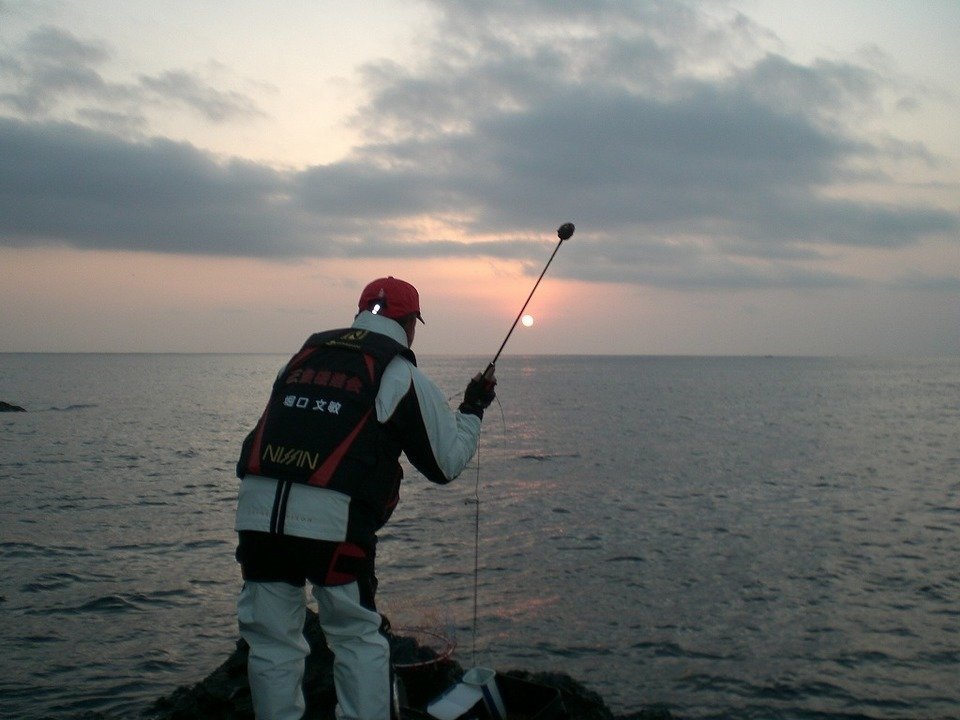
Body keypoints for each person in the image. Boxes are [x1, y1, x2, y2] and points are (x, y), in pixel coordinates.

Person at [234, 276, 496, 720]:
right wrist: (473, 408)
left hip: (257, 516)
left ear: (360, 312)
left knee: (272, 641)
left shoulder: (301, 359)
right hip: (331, 525)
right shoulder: (400, 372)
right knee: (357, 636)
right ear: (410, 322)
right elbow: (445, 464)